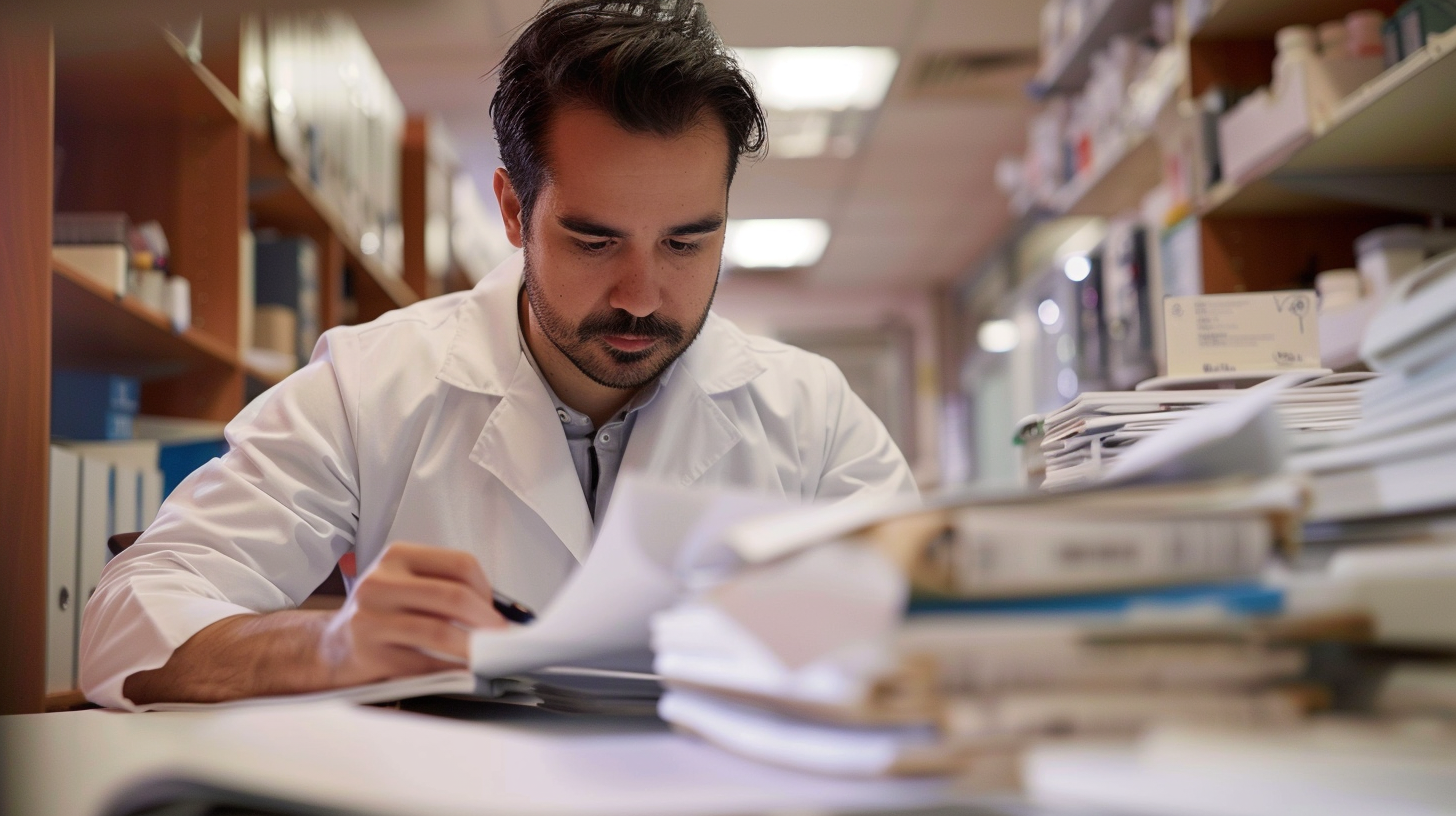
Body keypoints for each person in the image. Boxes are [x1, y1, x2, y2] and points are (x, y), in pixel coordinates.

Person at [79, 0, 915, 709]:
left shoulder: (811, 413)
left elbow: (938, 632)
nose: (642, 295)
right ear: (515, 211)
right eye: (594, 241)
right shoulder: (369, 384)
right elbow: (130, 616)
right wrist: (330, 647)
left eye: (687, 243)